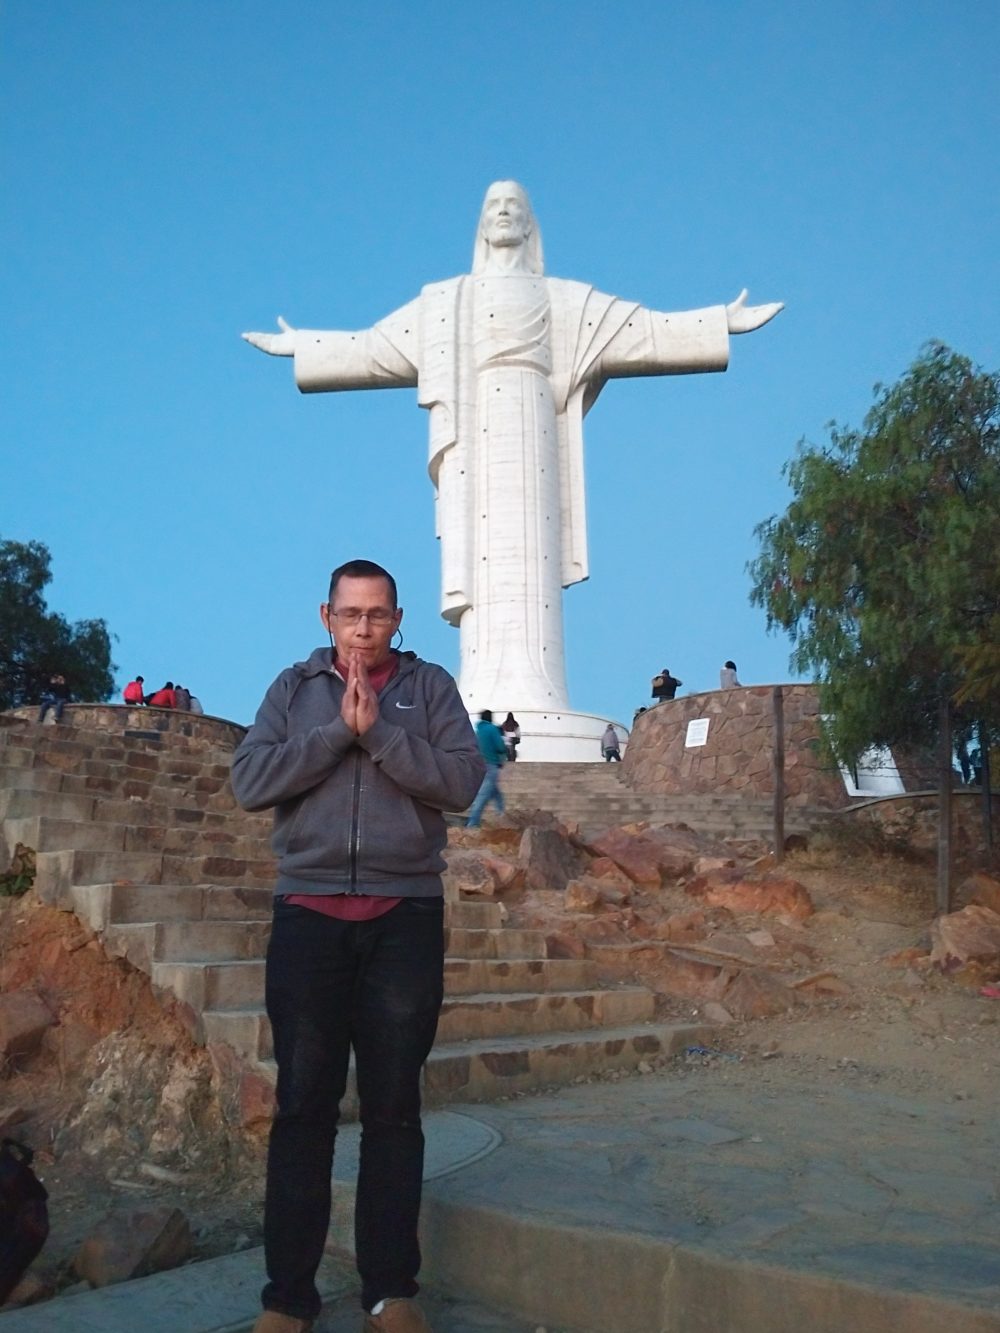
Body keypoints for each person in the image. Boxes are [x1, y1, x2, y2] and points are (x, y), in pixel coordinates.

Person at [243, 181, 782, 722]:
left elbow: (643, 331)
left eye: (514, 207)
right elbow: (377, 348)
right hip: (478, 432)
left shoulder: (565, 299)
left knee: (532, 555)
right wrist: (307, 345)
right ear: (482, 224)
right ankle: (484, 690)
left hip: (533, 420)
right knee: (484, 560)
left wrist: (716, 322)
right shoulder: (447, 302)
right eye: (493, 207)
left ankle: (540, 692)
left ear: (529, 224)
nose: (503, 214)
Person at [231, 559, 483, 1333]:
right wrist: (340, 728)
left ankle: (389, 1289)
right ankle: (288, 1297)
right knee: (303, 1106)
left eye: (378, 614)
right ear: (326, 616)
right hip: (309, 917)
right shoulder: (293, 688)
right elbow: (251, 779)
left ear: (397, 617)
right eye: (350, 613)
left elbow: (463, 781)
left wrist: (381, 734)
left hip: (403, 916)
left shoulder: (430, 687)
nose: (363, 627)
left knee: (393, 1110)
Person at [466, 709, 508, 827]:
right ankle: (473, 822)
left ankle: (502, 814)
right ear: (490, 718)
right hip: (491, 764)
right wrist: (504, 750)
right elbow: (500, 746)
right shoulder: (492, 729)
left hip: (479, 764)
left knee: (495, 792)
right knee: (483, 794)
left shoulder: (478, 731)